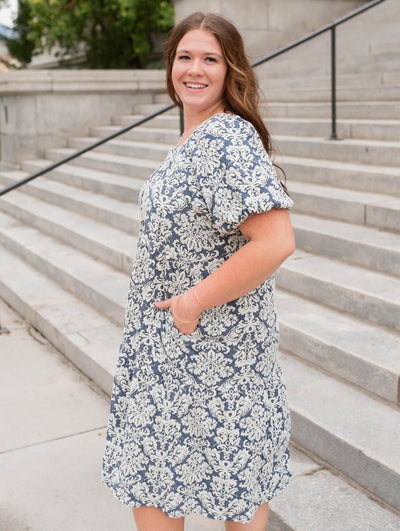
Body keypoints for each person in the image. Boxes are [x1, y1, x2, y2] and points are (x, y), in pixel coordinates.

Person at [102, 11, 295, 531]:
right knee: (166, 487)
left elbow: (276, 241)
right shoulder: (196, 136)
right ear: (170, 65)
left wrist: (192, 302)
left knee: (224, 491)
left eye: (210, 58)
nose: (195, 69)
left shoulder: (226, 138)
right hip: (169, 360)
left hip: (216, 359)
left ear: (231, 70)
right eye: (185, 56)